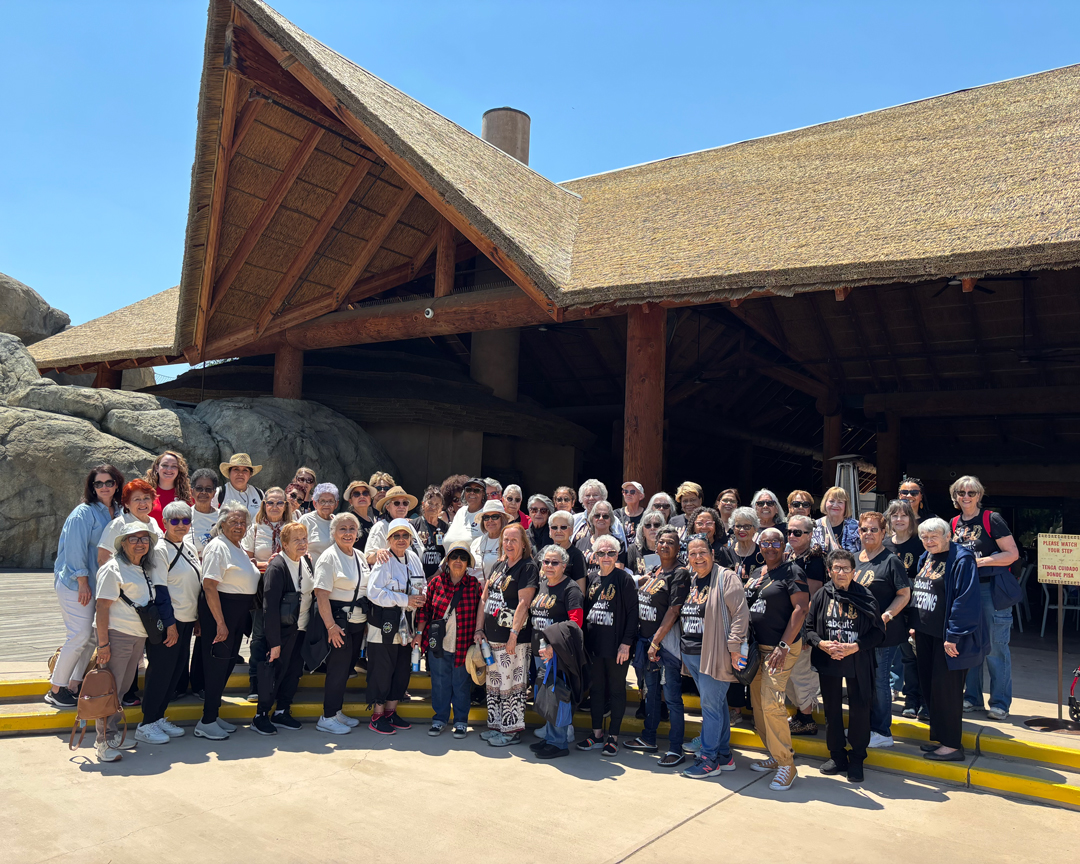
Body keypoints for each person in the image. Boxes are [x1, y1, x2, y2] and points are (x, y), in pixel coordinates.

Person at [46, 464, 123, 709]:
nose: (103, 487)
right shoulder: (83, 513)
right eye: (98, 483)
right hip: (76, 584)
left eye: (108, 482)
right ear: (91, 487)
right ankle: (56, 689)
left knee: (90, 636)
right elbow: (74, 550)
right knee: (78, 635)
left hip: (99, 584)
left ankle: (74, 685)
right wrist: (82, 582)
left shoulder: (118, 511)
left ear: (116, 484)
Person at [911, 517, 988, 761]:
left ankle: (952, 746)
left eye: (934, 536)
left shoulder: (962, 559)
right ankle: (942, 739)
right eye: (924, 537)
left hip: (949, 638)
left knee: (948, 691)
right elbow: (920, 590)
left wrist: (954, 635)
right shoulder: (927, 557)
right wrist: (914, 625)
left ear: (948, 536)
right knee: (931, 688)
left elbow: (965, 600)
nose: (929, 541)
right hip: (926, 634)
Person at [807, 550, 886, 782]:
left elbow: (878, 633)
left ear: (854, 572)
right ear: (829, 571)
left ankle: (858, 758)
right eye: (836, 568)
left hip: (858, 662)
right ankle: (837, 756)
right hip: (829, 660)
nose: (841, 573)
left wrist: (855, 647)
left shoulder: (866, 596)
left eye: (846, 569)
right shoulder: (822, 595)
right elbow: (809, 628)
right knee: (832, 710)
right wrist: (821, 644)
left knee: (860, 709)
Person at [90, 522, 165, 762]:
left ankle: (110, 735)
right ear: (123, 543)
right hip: (117, 635)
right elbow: (102, 606)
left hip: (136, 636)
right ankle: (102, 741)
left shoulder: (141, 567)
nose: (140, 543)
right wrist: (103, 645)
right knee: (108, 690)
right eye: (133, 539)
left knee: (120, 690)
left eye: (144, 539)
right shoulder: (114, 568)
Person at [677, 535, 750, 778]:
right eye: (693, 554)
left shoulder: (725, 577)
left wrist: (734, 646)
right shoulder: (692, 579)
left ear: (712, 553)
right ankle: (724, 755)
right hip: (693, 654)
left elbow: (740, 613)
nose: (698, 557)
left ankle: (709, 761)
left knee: (710, 708)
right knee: (716, 706)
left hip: (715, 654)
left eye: (702, 552)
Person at [745, 527, 810, 791]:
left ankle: (787, 765)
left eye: (775, 542)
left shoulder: (792, 571)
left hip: (780, 648)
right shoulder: (756, 574)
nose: (770, 547)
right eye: (765, 542)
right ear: (758, 546)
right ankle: (774, 754)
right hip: (756, 647)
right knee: (758, 703)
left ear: (783, 546)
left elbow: (801, 608)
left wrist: (783, 645)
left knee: (771, 701)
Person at [949, 476, 1019, 720]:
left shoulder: (992, 519)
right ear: (955, 496)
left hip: (991, 590)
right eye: (961, 492)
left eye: (971, 492)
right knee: (970, 645)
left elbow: (1012, 554)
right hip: (966, 592)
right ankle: (972, 698)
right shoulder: (954, 522)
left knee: (996, 648)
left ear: (979, 495)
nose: (965, 496)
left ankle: (1000, 703)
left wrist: (977, 562)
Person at [137, 500, 202, 743]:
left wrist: (195, 619)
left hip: (186, 620)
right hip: (169, 622)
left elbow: (192, 585)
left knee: (175, 673)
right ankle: (147, 723)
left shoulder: (189, 548)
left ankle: (158, 716)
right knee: (160, 672)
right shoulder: (160, 550)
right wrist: (170, 624)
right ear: (164, 523)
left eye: (186, 520)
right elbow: (160, 590)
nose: (181, 525)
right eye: (174, 520)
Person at [195, 503, 260, 741]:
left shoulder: (238, 548)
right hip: (221, 614)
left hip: (236, 615)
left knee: (227, 664)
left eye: (243, 522)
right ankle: (206, 720)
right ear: (222, 524)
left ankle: (213, 714)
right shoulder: (217, 546)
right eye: (234, 522)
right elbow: (209, 586)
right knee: (216, 665)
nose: (239, 526)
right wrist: (220, 623)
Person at [625, 526, 688, 765]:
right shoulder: (656, 569)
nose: (664, 545)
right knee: (651, 694)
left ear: (678, 547)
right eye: (661, 541)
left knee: (671, 698)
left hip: (665, 647)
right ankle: (648, 738)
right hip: (647, 644)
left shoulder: (680, 574)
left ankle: (675, 748)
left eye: (670, 542)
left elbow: (674, 611)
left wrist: (656, 641)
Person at [414, 541, 485, 738]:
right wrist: (419, 634)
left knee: (461, 684)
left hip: (463, 644)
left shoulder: (474, 585)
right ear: (447, 560)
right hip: (438, 644)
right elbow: (424, 612)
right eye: (454, 557)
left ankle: (461, 721)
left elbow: (481, 612)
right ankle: (440, 719)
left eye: (463, 558)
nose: (458, 561)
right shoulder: (436, 583)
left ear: (468, 563)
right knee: (439, 683)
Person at [853, 511, 911, 749]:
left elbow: (904, 594)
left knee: (879, 681)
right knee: (862, 680)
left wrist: (887, 615)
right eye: (864, 529)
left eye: (873, 529)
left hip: (883, 633)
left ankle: (882, 730)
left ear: (883, 533)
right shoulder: (855, 558)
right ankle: (865, 725)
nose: (868, 533)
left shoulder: (891, 560)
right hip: (858, 633)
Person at [477, 523, 538, 747]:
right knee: (494, 685)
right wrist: (479, 628)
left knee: (512, 686)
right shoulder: (499, 565)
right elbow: (484, 599)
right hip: (491, 639)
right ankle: (496, 726)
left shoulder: (528, 567)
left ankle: (511, 731)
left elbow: (524, 603)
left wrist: (513, 634)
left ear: (523, 543)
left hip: (513, 641)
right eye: (506, 540)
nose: (509, 544)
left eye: (514, 540)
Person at [577, 534, 638, 757]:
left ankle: (613, 737)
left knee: (616, 690)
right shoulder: (592, 578)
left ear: (617, 555)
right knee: (597, 690)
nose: (606, 556)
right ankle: (596, 735)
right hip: (594, 647)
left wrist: (626, 644)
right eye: (601, 553)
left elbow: (633, 614)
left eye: (610, 553)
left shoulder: (624, 579)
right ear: (594, 556)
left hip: (616, 649)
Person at [312, 513, 370, 735]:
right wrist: (330, 627)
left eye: (352, 529)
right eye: (342, 529)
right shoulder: (329, 557)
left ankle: (336, 711)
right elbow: (321, 593)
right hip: (338, 622)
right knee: (337, 669)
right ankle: (326, 716)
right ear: (334, 533)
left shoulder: (359, 556)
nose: (348, 533)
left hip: (357, 622)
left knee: (346, 668)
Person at [367, 518, 426, 734]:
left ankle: (391, 712)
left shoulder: (413, 558)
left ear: (411, 538)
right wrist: (405, 600)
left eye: (405, 536)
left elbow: (422, 583)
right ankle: (377, 715)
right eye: (396, 536)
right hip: (384, 624)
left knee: (401, 669)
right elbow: (374, 593)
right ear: (389, 539)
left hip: (406, 624)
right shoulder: (384, 559)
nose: (401, 540)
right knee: (383, 669)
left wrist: (421, 596)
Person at [253, 522, 313, 734]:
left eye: (304, 538)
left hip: (301, 629)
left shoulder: (306, 562)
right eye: (296, 540)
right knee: (274, 673)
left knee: (293, 672)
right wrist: (274, 642)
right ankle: (261, 716)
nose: (302, 543)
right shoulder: (277, 567)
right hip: (282, 632)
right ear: (284, 544)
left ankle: (282, 711)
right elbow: (269, 608)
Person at [528, 545, 585, 758]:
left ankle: (559, 743)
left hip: (557, 654)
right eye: (546, 562)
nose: (550, 566)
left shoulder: (570, 589)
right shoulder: (543, 584)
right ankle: (550, 737)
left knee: (558, 696)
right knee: (546, 697)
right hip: (539, 650)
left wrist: (554, 647)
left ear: (564, 565)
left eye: (555, 563)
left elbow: (575, 623)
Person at [242, 487, 295, 702]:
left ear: (286, 505)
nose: (275, 507)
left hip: (288, 588)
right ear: (264, 505)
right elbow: (246, 559)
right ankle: (256, 681)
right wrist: (269, 564)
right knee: (260, 634)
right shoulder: (254, 529)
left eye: (279, 503)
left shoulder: (292, 529)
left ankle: (279, 680)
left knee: (284, 634)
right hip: (262, 587)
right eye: (270, 502)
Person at [884, 498, 926, 719]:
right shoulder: (884, 543)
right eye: (895, 515)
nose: (899, 519)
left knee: (917, 656)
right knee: (899, 656)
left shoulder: (920, 543)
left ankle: (918, 701)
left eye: (904, 515)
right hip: (892, 605)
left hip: (916, 604)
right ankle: (906, 698)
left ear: (911, 519)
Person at [785, 513, 826, 736]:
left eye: (798, 532)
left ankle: (807, 719)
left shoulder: (814, 560)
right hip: (789, 623)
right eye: (789, 531)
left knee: (802, 673)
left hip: (803, 625)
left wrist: (805, 631)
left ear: (810, 535)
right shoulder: (790, 555)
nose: (792, 535)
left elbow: (812, 597)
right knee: (791, 673)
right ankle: (801, 715)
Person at [98, 479, 166, 566]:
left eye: (146, 498)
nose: (143, 503)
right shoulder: (119, 524)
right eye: (137, 499)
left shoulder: (153, 522)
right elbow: (103, 559)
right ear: (127, 504)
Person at [366, 486, 424, 563]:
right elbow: (368, 558)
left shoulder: (409, 526)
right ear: (387, 507)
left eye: (405, 503)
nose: (401, 506)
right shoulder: (381, 527)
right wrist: (378, 554)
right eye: (397, 503)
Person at [573, 480, 628, 547]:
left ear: (603, 497)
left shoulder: (613, 520)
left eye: (595, 495)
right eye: (587, 495)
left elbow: (621, 545)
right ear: (581, 498)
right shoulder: (574, 519)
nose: (591, 498)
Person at [145, 451, 191, 530]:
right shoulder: (144, 492)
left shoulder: (188, 494)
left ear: (179, 469)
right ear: (157, 467)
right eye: (165, 465)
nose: (169, 469)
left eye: (174, 466)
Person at [812, 486, 861, 553]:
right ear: (825, 503)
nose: (835, 505)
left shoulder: (857, 527)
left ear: (846, 505)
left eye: (840, 502)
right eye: (831, 501)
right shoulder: (814, 526)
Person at [548, 509, 587, 593]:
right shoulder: (544, 552)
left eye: (563, 527)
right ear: (549, 531)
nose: (558, 531)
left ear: (571, 530)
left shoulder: (577, 556)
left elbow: (581, 592)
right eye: (554, 527)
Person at [414, 485, 448, 578]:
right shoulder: (413, 525)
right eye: (430, 503)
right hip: (417, 577)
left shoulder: (446, 528)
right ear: (423, 504)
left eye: (437, 505)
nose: (433, 507)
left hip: (438, 578)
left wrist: (435, 576)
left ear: (441, 508)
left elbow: (448, 556)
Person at [471, 499, 509, 577]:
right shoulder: (476, 542)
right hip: (472, 587)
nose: (490, 520)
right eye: (486, 517)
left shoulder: (508, 543)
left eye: (495, 517)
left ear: (503, 519)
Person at [300, 483, 338, 560]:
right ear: (315, 503)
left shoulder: (338, 522)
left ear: (336, 504)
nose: (327, 504)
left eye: (331, 501)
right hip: (311, 569)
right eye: (322, 501)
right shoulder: (306, 520)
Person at [445, 477, 486, 542]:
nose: (472, 493)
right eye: (468, 489)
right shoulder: (461, 511)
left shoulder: (487, 513)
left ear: (483, 493)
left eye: (477, 490)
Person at [626, 510, 666, 577]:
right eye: (648, 525)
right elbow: (627, 577)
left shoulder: (667, 549)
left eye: (656, 525)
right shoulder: (633, 549)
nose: (652, 528)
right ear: (642, 530)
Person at [189, 469, 219, 557]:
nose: (203, 492)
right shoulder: (183, 516)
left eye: (208, 489)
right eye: (199, 488)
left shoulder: (223, 517)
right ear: (192, 492)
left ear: (214, 493)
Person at [343, 479, 377, 551]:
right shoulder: (348, 521)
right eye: (356, 494)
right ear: (350, 501)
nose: (362, 496)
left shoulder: (373, 521)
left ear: (370, 499)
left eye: (365, 493)